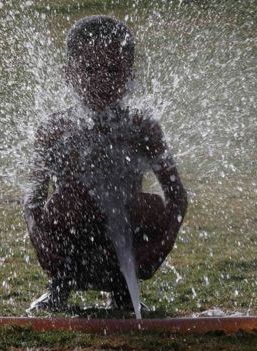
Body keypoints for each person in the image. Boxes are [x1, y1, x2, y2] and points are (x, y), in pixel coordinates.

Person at [23, 15, 187, 312]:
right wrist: (41, 242)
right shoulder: (56, 129)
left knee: (149, 208)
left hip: (128, 242)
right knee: (66, 202)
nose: (101, 79)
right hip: (72, 244)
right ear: (68, 74)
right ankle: (59, 287)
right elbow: (32, 201)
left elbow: (177, 198)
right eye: (89, 69)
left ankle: (124, 291)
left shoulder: (142, 128)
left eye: (113, 70)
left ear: (130, 76)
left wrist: (159, 246)